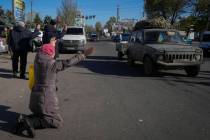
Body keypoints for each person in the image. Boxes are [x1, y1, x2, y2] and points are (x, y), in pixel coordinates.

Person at [13, 34, 94, 138]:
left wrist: (51, 43)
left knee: (42, 115)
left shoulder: (37, 60)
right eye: (53, 54)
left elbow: (44, 49)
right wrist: (83, 55)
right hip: (45, 97)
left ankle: (24, 120)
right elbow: (68, 63)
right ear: (50, 54)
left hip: (35, 96)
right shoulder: (51, 64)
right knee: (56, 121)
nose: (53, 56)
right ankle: (29, 122)